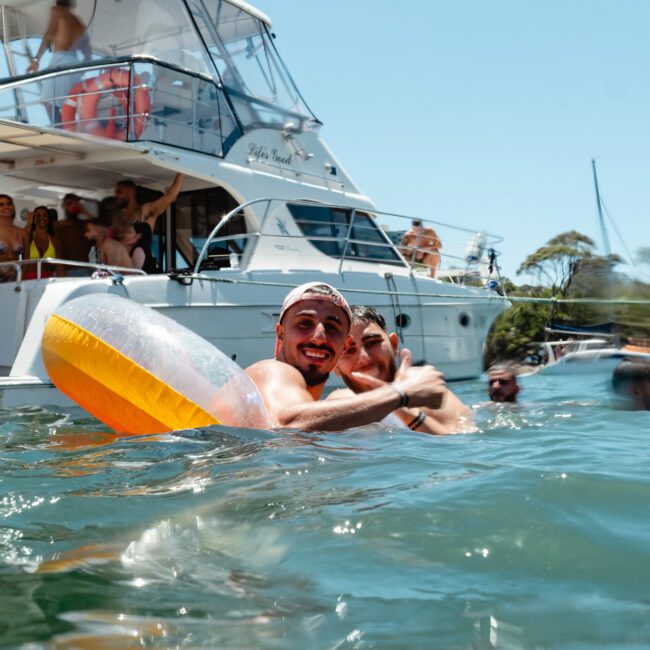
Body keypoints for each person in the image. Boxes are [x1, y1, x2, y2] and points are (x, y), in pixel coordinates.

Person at [245, 282, 448, 431]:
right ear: (280, 333)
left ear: (345, 346)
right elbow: (285, 425)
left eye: (332, 327)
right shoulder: (271, 370)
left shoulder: (317, 407)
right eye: (304, 323)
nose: (319, 337)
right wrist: (402, 393)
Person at [329, 305, 473, 434]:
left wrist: (398, 404)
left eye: (372, 342)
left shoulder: (425, 389)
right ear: (334, 364)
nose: (364, 357)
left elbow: (463, 443)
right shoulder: (339, 402)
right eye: (348, 350)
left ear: (393, 345)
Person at [27, 0, 92, 125]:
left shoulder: (57, 12)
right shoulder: (79, 24)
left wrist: (36, 59)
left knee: (49, 101)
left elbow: (49, 34)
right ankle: (68, 130)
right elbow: (88, 55)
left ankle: (59, 129)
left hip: (60, 62)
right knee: (69, 104)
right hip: (75, 65)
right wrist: (79, 72)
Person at [84, 197, 133, 269]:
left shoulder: (110, 245)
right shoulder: (103, 245)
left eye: (88, 230)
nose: (85, 234)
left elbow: (115, 272)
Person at [53, 193, 93, 276]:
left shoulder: (84, 225)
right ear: (64, 206)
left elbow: (98, 228)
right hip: (67, 270)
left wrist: (84, 211)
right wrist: (61, 273)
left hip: (85, 268)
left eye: (75, 204)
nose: (73, 207)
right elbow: (57, 251)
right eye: (69, 204)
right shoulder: (58, 226)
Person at [23, 205, 63, 279]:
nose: (41, 217)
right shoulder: (29, 237)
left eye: (45, 215)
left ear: (49, 219)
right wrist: (28, 223)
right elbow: (20, 239)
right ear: (33, 220)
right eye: (38, 215)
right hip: (28, 278)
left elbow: (59, 266)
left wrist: (63, 282)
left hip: (48, 278)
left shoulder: (55, 241)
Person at [0, 194, 28, 282]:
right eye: (1, 205)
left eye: (9, 204)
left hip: (15, 281)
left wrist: (20, 279)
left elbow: (27, 261)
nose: (6, 207)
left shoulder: (22, 233)